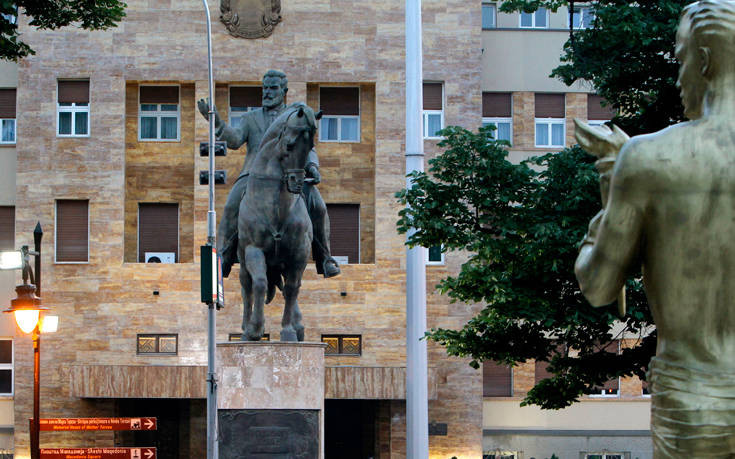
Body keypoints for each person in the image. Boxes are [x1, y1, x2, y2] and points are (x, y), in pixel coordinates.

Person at [574, 1, 735, 456]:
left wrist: (615, 188)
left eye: (681, 60)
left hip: (693, 406)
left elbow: (598, 287)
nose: (680, 78)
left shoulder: (647, 158)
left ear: (704, 60)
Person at [197, 70, 340, 279]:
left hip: (290, 173)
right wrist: (216, 121)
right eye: (265, 88)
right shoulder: (250, 118)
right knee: (230, 207)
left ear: (284, 91)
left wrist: (312, 167)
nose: (267, 92)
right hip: (253, 176)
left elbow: (307, 145)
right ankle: (222, 258)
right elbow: (235, 140)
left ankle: (325, 257)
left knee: (318, 206)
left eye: (273, 88)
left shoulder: (294, 115)